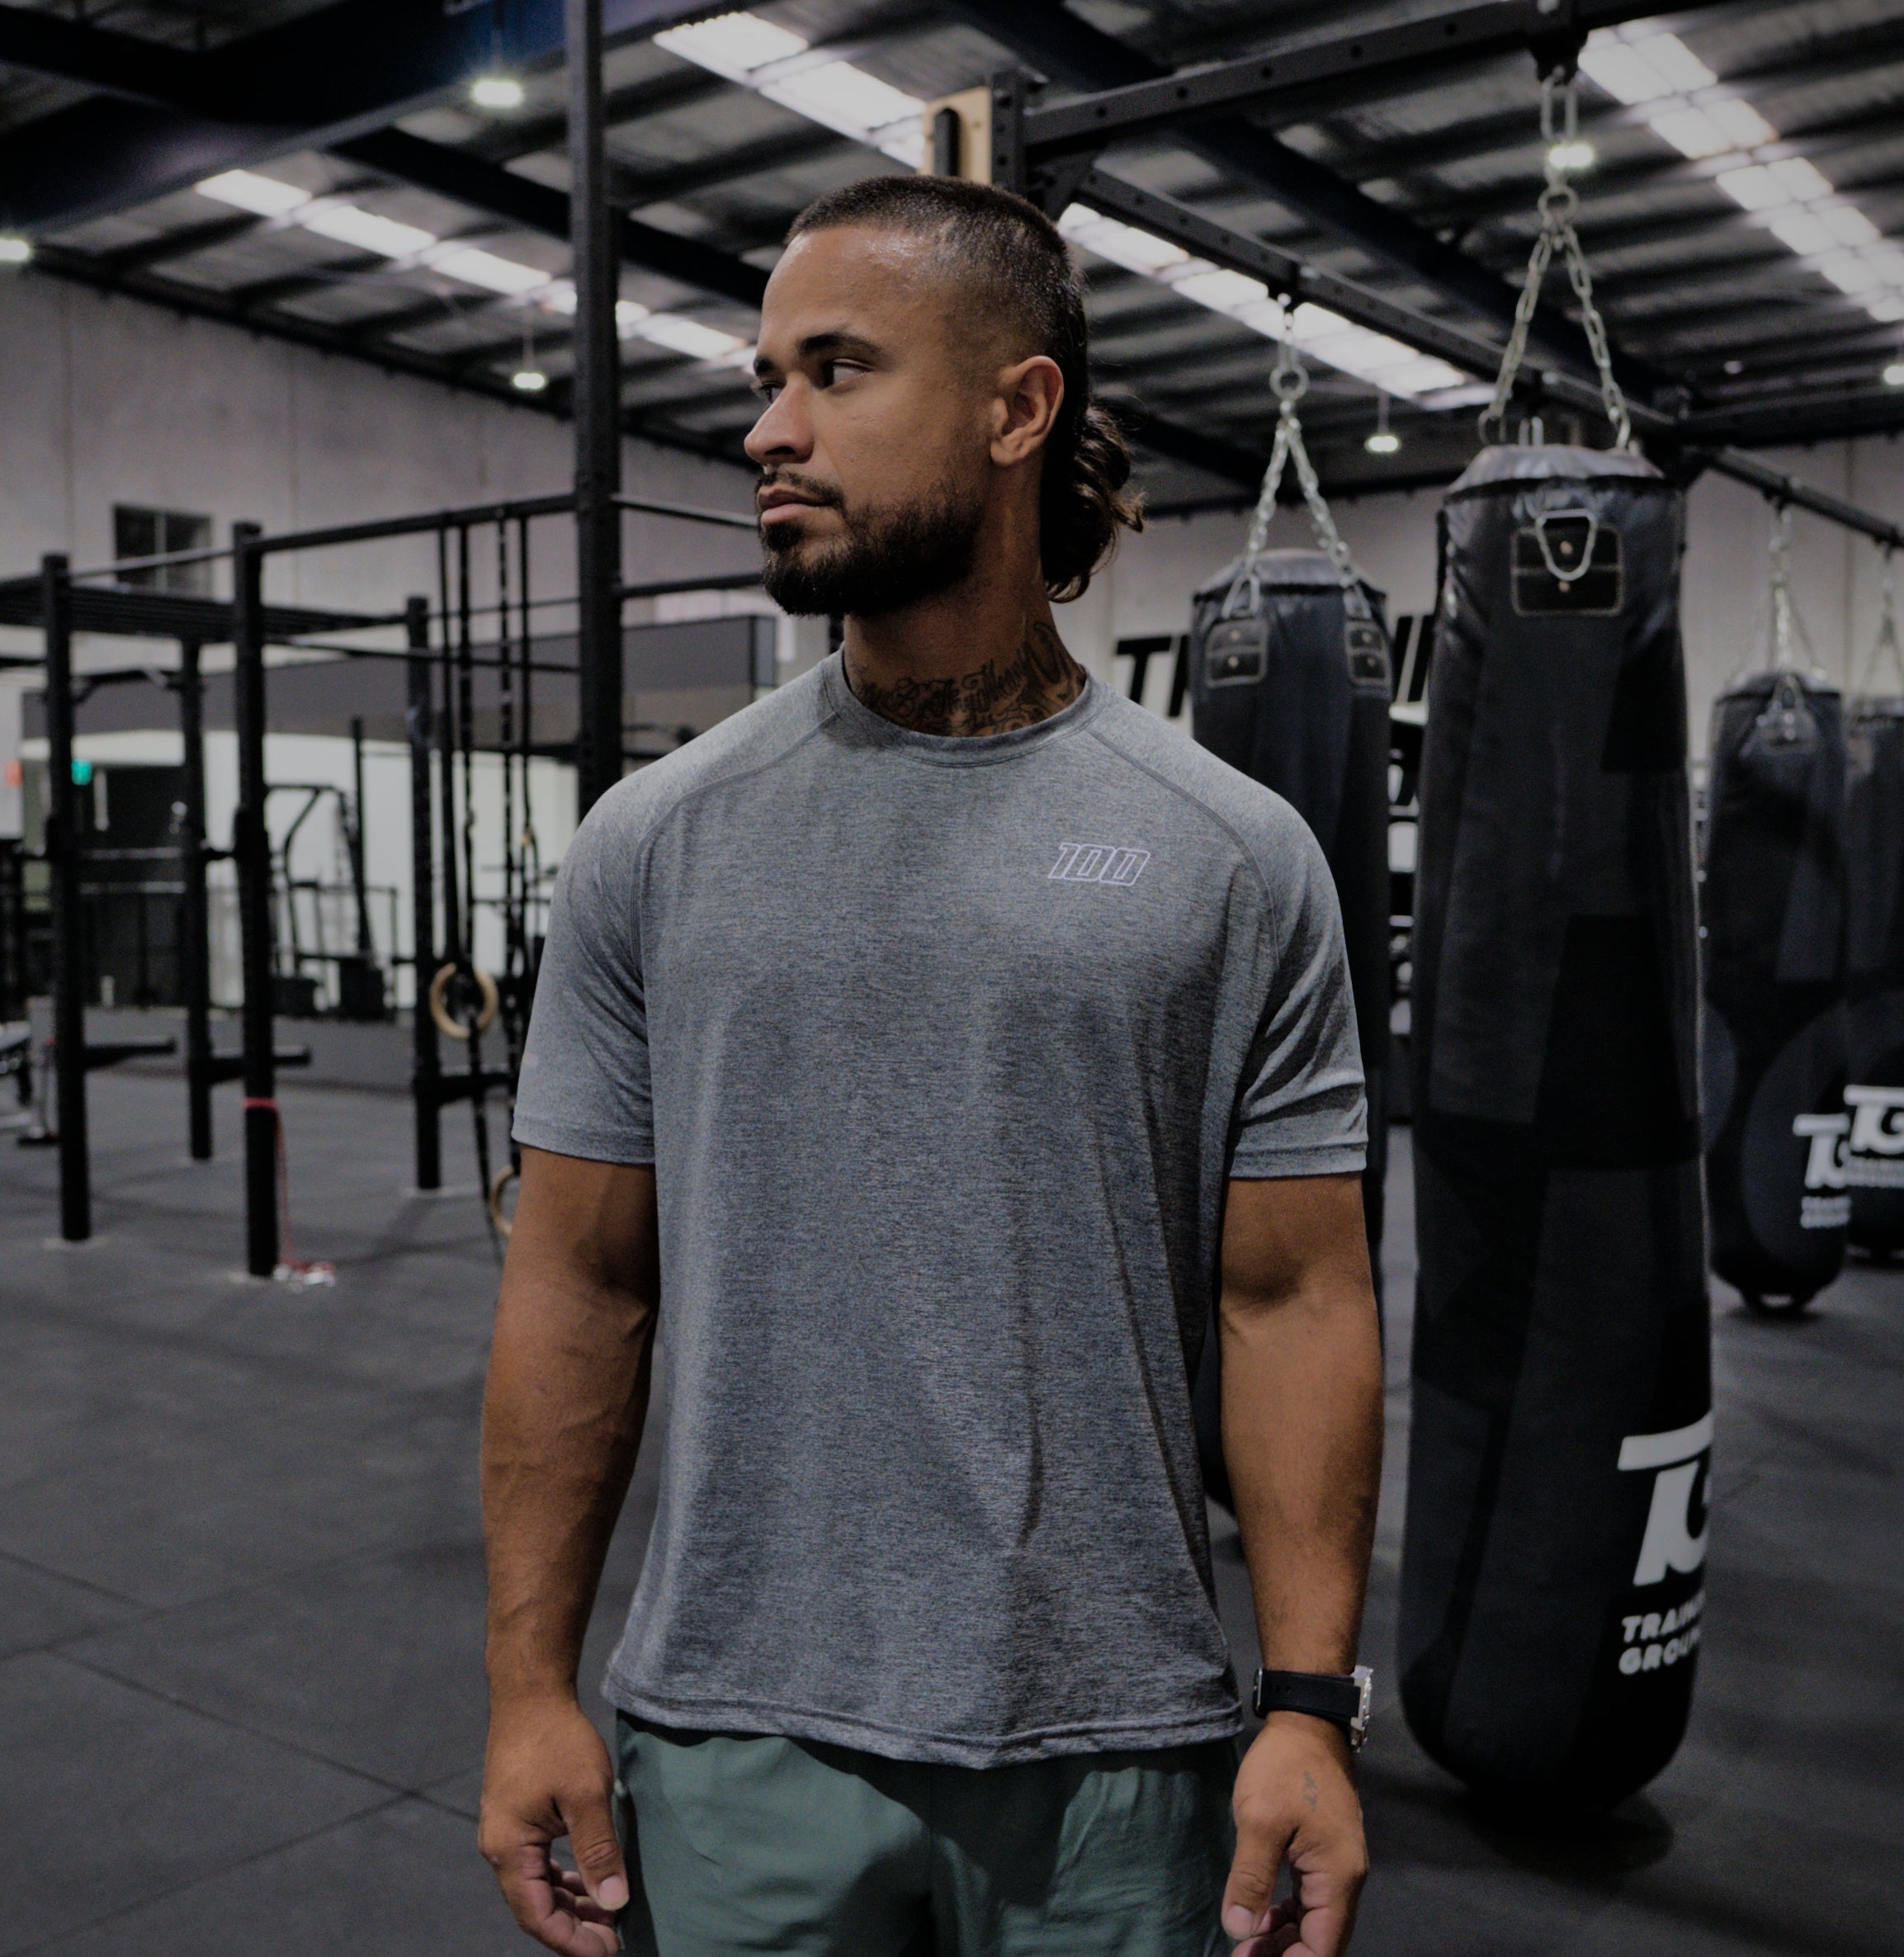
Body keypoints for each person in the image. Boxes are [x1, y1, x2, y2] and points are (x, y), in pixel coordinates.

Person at [477, 174, 1383, 1957]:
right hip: (734, 1725)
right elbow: (579, 1281)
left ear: (1015, 409)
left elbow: (1294, 1302)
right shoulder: (655, 841)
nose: (768, 428)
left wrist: (1306, 1702)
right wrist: (527, 1685)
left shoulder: (1229, 854)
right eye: (764, 376)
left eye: (835, 370)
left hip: (1120, 1747)